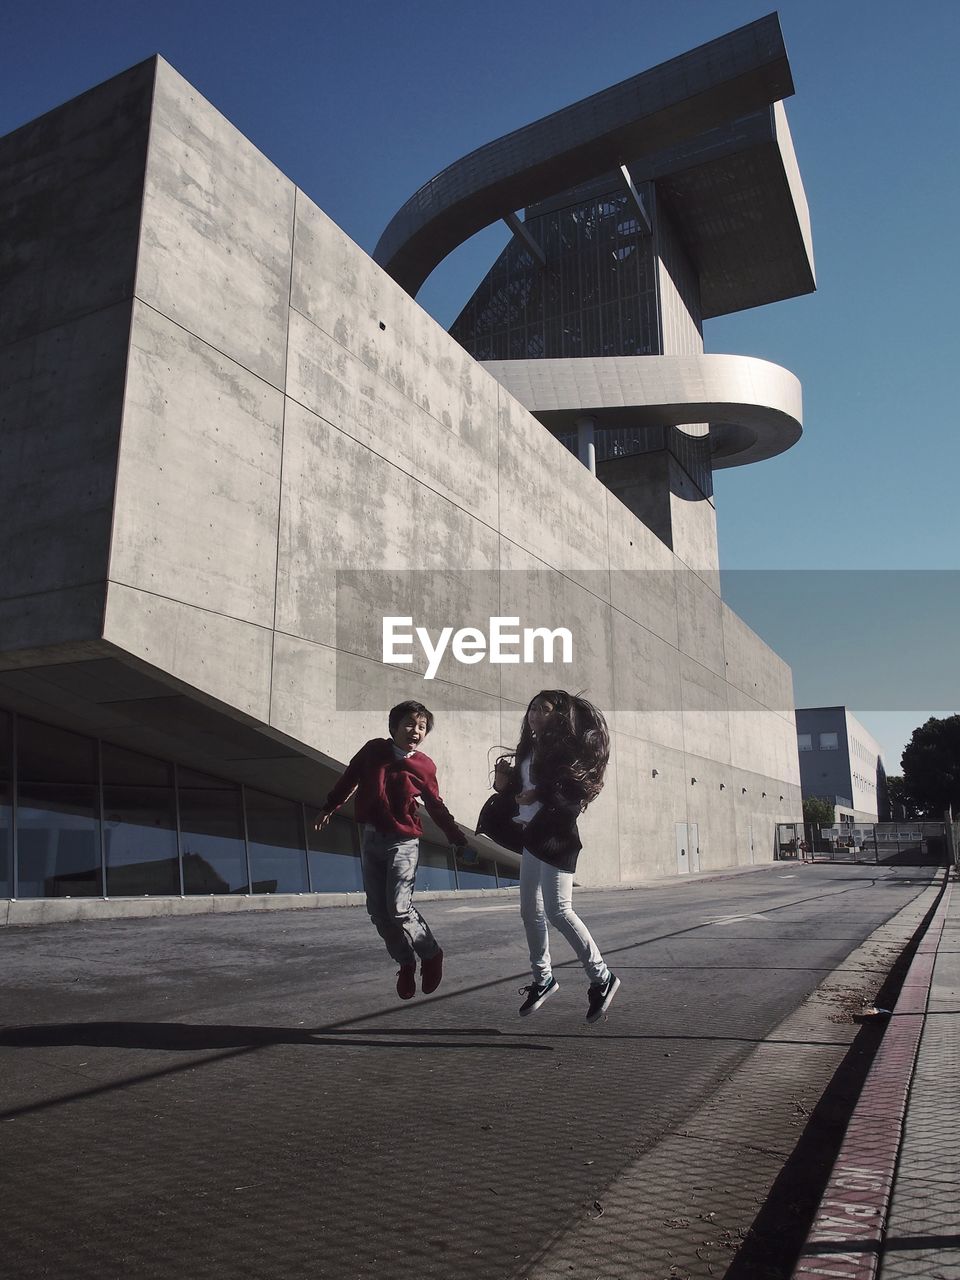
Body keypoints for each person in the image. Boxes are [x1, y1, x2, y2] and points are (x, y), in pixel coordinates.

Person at [477, 690, 619, 1024]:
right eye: (533, 708)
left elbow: (570, 795)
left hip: (557, 838)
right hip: (532, 838)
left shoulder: (564, 752)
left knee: (559, 911)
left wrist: (539, 792)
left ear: (558, 716)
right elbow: (518, 794)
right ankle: (543, 979)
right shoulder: (528, 749)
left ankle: (602, 978)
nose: (536, 713)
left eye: (545, 709)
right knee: (530, 911)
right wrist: (504, 784)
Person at [315, 701, 468, 1000]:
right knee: (378, 913)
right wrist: (329, 807)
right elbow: (349, 779)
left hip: (404, 842)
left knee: (398, 908)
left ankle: (431, 953)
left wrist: (456, 838)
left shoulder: (424, 766)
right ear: (394, 727)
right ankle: (406, 963)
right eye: (410, 724)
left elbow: (435, 805)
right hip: (371, 838)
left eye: (422, 727)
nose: (416, 731)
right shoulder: (373, 750)